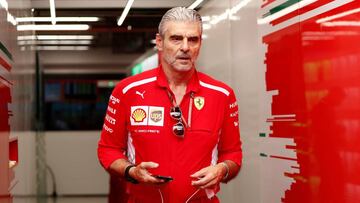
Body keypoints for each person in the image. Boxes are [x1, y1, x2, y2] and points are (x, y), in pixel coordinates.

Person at [98, 7, 242, 203]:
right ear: (159, 42)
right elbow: (107, 149)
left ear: (200, 44)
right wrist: (131, 171)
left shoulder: (222, 95)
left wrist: (222, 169)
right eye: (176, 38)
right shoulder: (127, 91)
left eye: (193, 39)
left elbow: (232, 153)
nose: (185, 47)